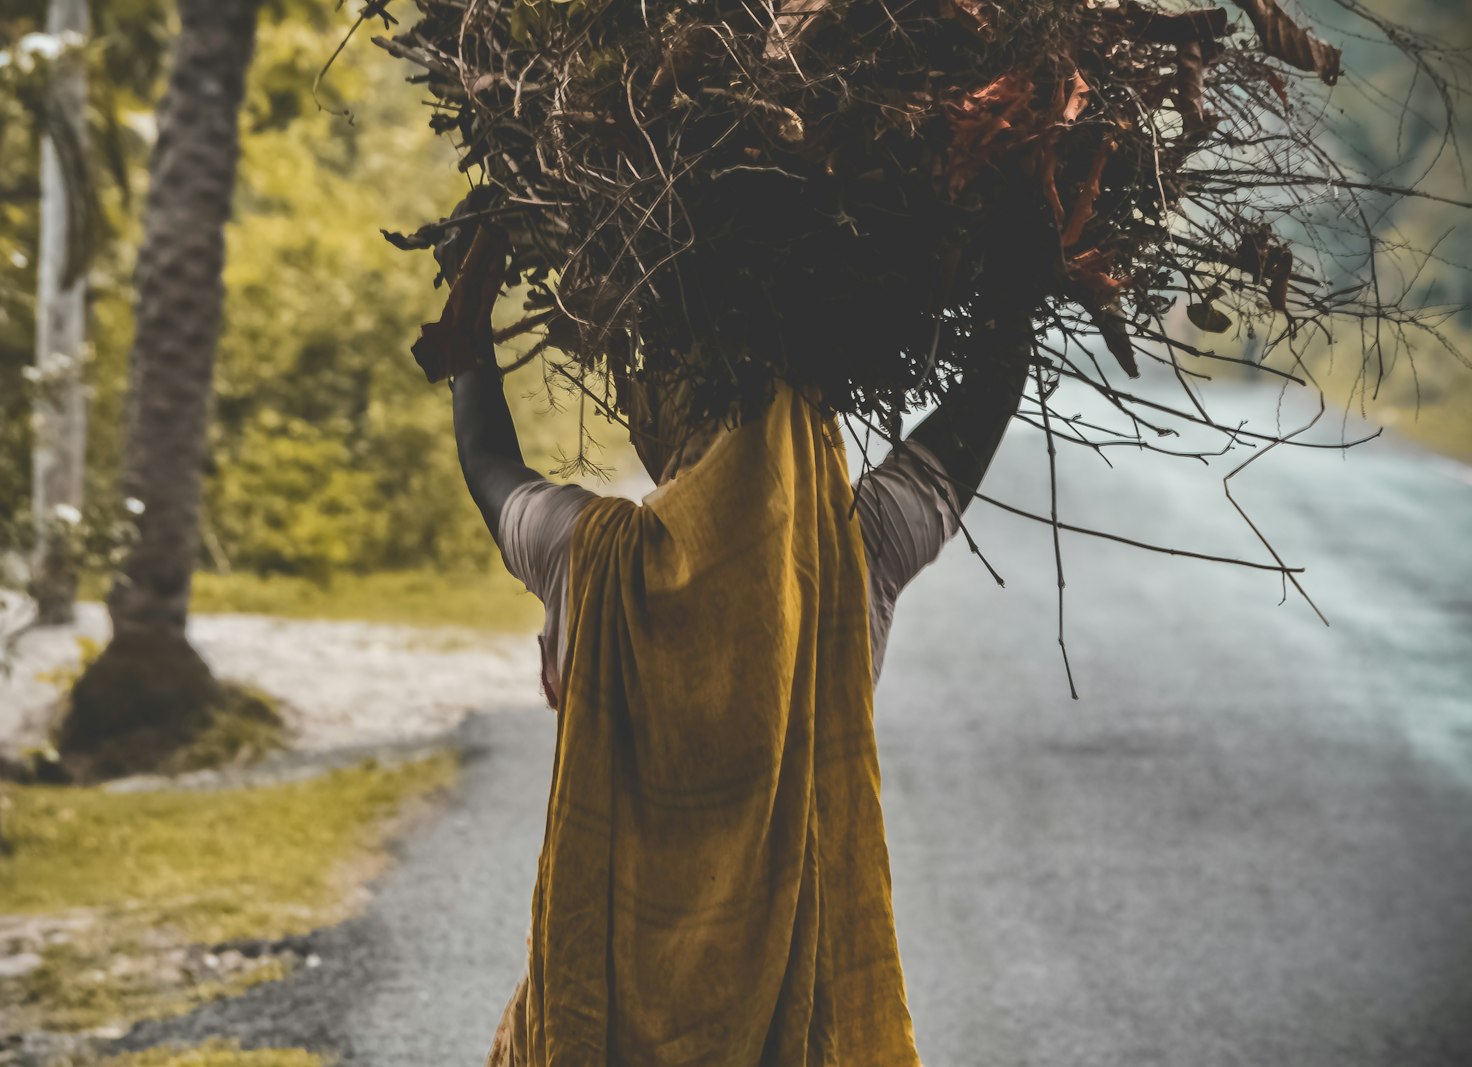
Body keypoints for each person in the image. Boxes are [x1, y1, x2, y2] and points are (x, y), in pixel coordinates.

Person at [429, 226, 1029, 1065]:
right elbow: (983, 399)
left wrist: (471, 302)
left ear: (665, 408)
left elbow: (485, 458)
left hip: (604, 1028)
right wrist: (1026, 248)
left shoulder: (591, 559)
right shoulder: (853, 557)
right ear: (815, 418)